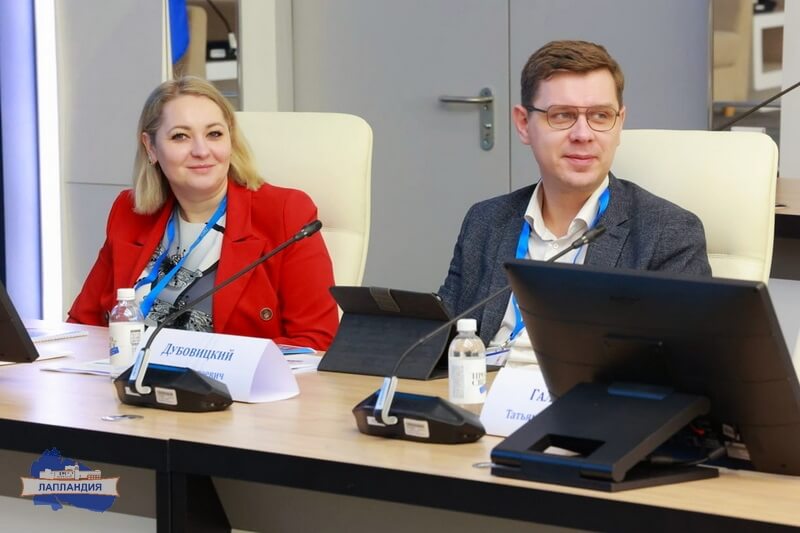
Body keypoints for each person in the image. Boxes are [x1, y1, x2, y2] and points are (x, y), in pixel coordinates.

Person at [438, 40, 711, 355]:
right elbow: (439, 344)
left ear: (619, 123)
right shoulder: (485, 221)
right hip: (481, 385)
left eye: (600, 116)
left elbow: (681, 362)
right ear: (524, 124)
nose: (583, 134)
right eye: (562, 115)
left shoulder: (668, 234)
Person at [68, 76, 339, 350]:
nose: (201, 150)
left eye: (214, 134)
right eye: (180, 136)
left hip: (228, 378)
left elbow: (315, 342)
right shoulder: (129, 212)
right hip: (131, 374)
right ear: (151, 147)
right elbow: (82, 325)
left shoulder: (285, 212)